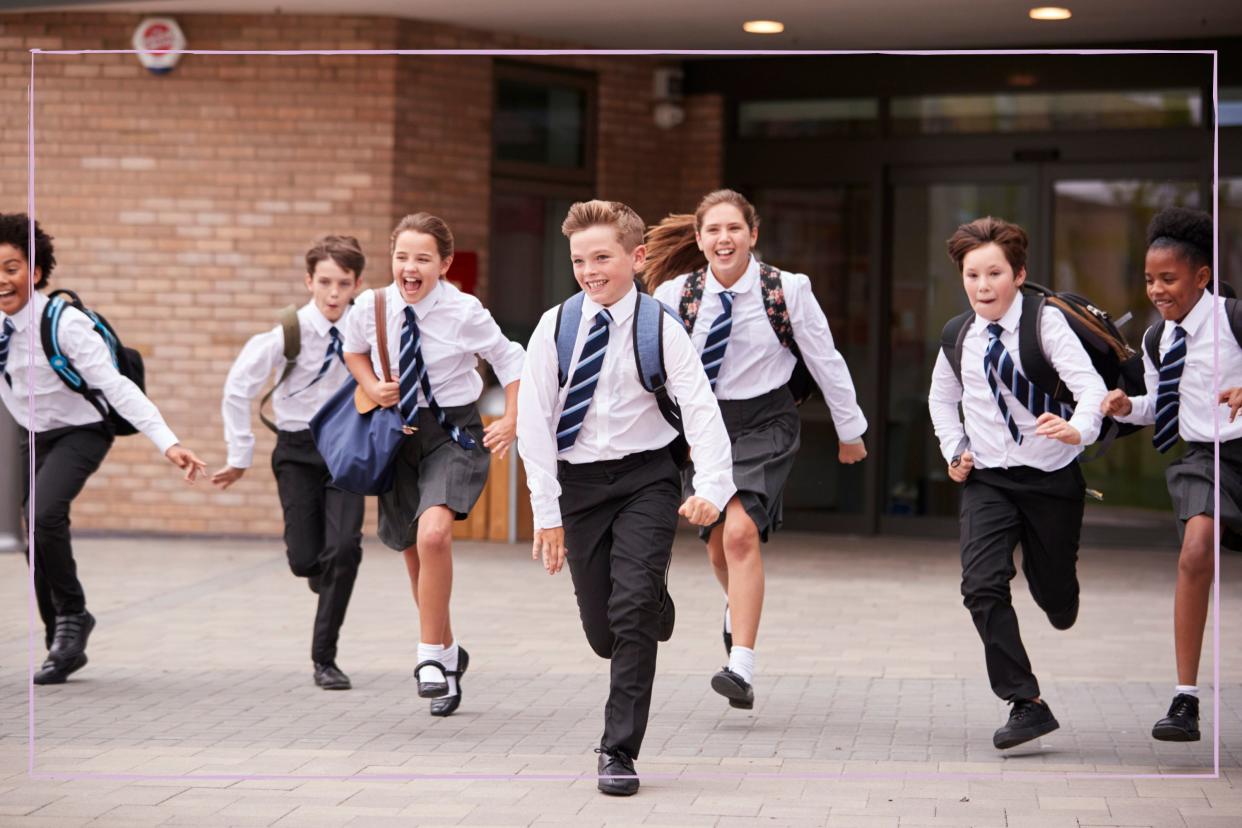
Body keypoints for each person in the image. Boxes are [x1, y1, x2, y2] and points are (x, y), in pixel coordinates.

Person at [517, 199, 734, 796]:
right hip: (579, 486)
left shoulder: (660, 326)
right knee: (604, 632)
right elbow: (533, 424)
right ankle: (652, 602)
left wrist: (712, 486)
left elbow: (700, 408)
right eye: (579, 260)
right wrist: (548, 513)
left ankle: (618, 751)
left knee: (630, 611)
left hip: (646, 478)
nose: (590, 270)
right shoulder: (554, 327)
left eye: (602, 258)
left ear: (636, 259)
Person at [645, 189, 868, 709]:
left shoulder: (786, 289)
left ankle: (740, 665)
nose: (724, 239)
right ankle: (734, 606)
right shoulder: (675, 296)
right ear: (699, 240)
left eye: (734, 229)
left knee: (741, 533)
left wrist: (850, 431)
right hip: (704, 427)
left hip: (767, 420)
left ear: (753, 234)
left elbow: (825, 358)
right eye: (714, 231)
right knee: (717, 543)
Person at [0, 212, 206, 685]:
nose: (2, 279)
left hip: (82, 430)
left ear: (33, 273)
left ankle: (72, 614)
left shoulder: (64, 324)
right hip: (28, 432)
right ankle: (62, 637)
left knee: (45, 514)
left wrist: (168, 442)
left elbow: (115, 387)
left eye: (11, 267)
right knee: (31, 530)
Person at [927, 216, 1106, 749]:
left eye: (995, 274)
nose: (983, 287)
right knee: (980, 585)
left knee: (1051, 590)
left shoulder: (1046, 325)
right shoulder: (959, 334)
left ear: (1019, 274)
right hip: (988, 480)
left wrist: (1078, 429)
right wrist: (955, 448)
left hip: (1052, 479)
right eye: (972, 275)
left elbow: (1090, 390)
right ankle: (1024, 701)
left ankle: (1061, 596)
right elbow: (941, 399)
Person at [341, 212, 523, 717]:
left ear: (444, 264)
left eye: (423, 258)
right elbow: (352, 350)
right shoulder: (370, 306)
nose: (410, 267)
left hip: (455, 434)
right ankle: (447, 655)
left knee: (434, 536)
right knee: (413, 554)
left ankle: (426, 659)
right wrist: (371, 384)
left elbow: (510, 359)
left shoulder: (465, 311)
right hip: (396, 436)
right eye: (402, 257)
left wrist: (511, 415)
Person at [1102, 206, 1242, 742]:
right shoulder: (1159, 339)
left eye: (1168, 279)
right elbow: (1163, 403)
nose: (1156, 290)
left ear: (1201, 276)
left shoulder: (1233, 318)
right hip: (1206, 458)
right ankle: (1185, 701)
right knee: (1194, 550)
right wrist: (1125, 406)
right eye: (1148, 280)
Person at [213, 235, 367, 691]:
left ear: (358, 282)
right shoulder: (288, 332)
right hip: (297, 451)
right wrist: (239, 455)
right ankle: (323, 577)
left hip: (346, 448)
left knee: (343, 550)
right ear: (309, 281)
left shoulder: (368, 327)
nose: (334, 293)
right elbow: (238, 387)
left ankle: (325, 659)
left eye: (343, 283)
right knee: (305, 560)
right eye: (325, 282)